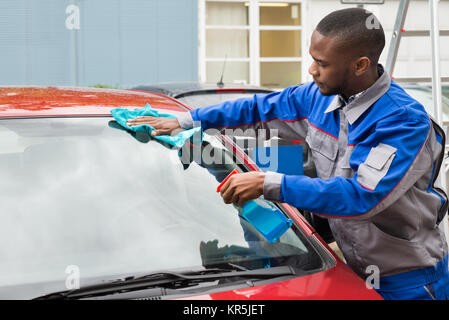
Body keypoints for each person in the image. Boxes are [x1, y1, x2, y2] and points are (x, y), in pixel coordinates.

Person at [127, 8, 449, 300]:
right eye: (312, 59)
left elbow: (363, 197)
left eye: (321, 64)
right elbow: (256, 109)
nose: (311, 70)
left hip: (410, 282)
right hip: (350, 273)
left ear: (360, 65)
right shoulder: (317, 99)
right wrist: (186, 120)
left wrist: (269, 183)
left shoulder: (402, 122)